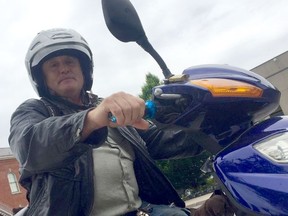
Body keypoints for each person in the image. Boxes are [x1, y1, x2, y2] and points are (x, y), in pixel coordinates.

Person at [9, 28, 203, 216]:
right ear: (41, 78)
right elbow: (29, 146)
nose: (64, 69)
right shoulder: (35, 110)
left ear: (84, 69)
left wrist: (207, 124)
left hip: (141, 210)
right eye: (53, 65)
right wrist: (90, 119)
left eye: (69, 61)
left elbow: (159, 140)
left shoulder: (108, 108)